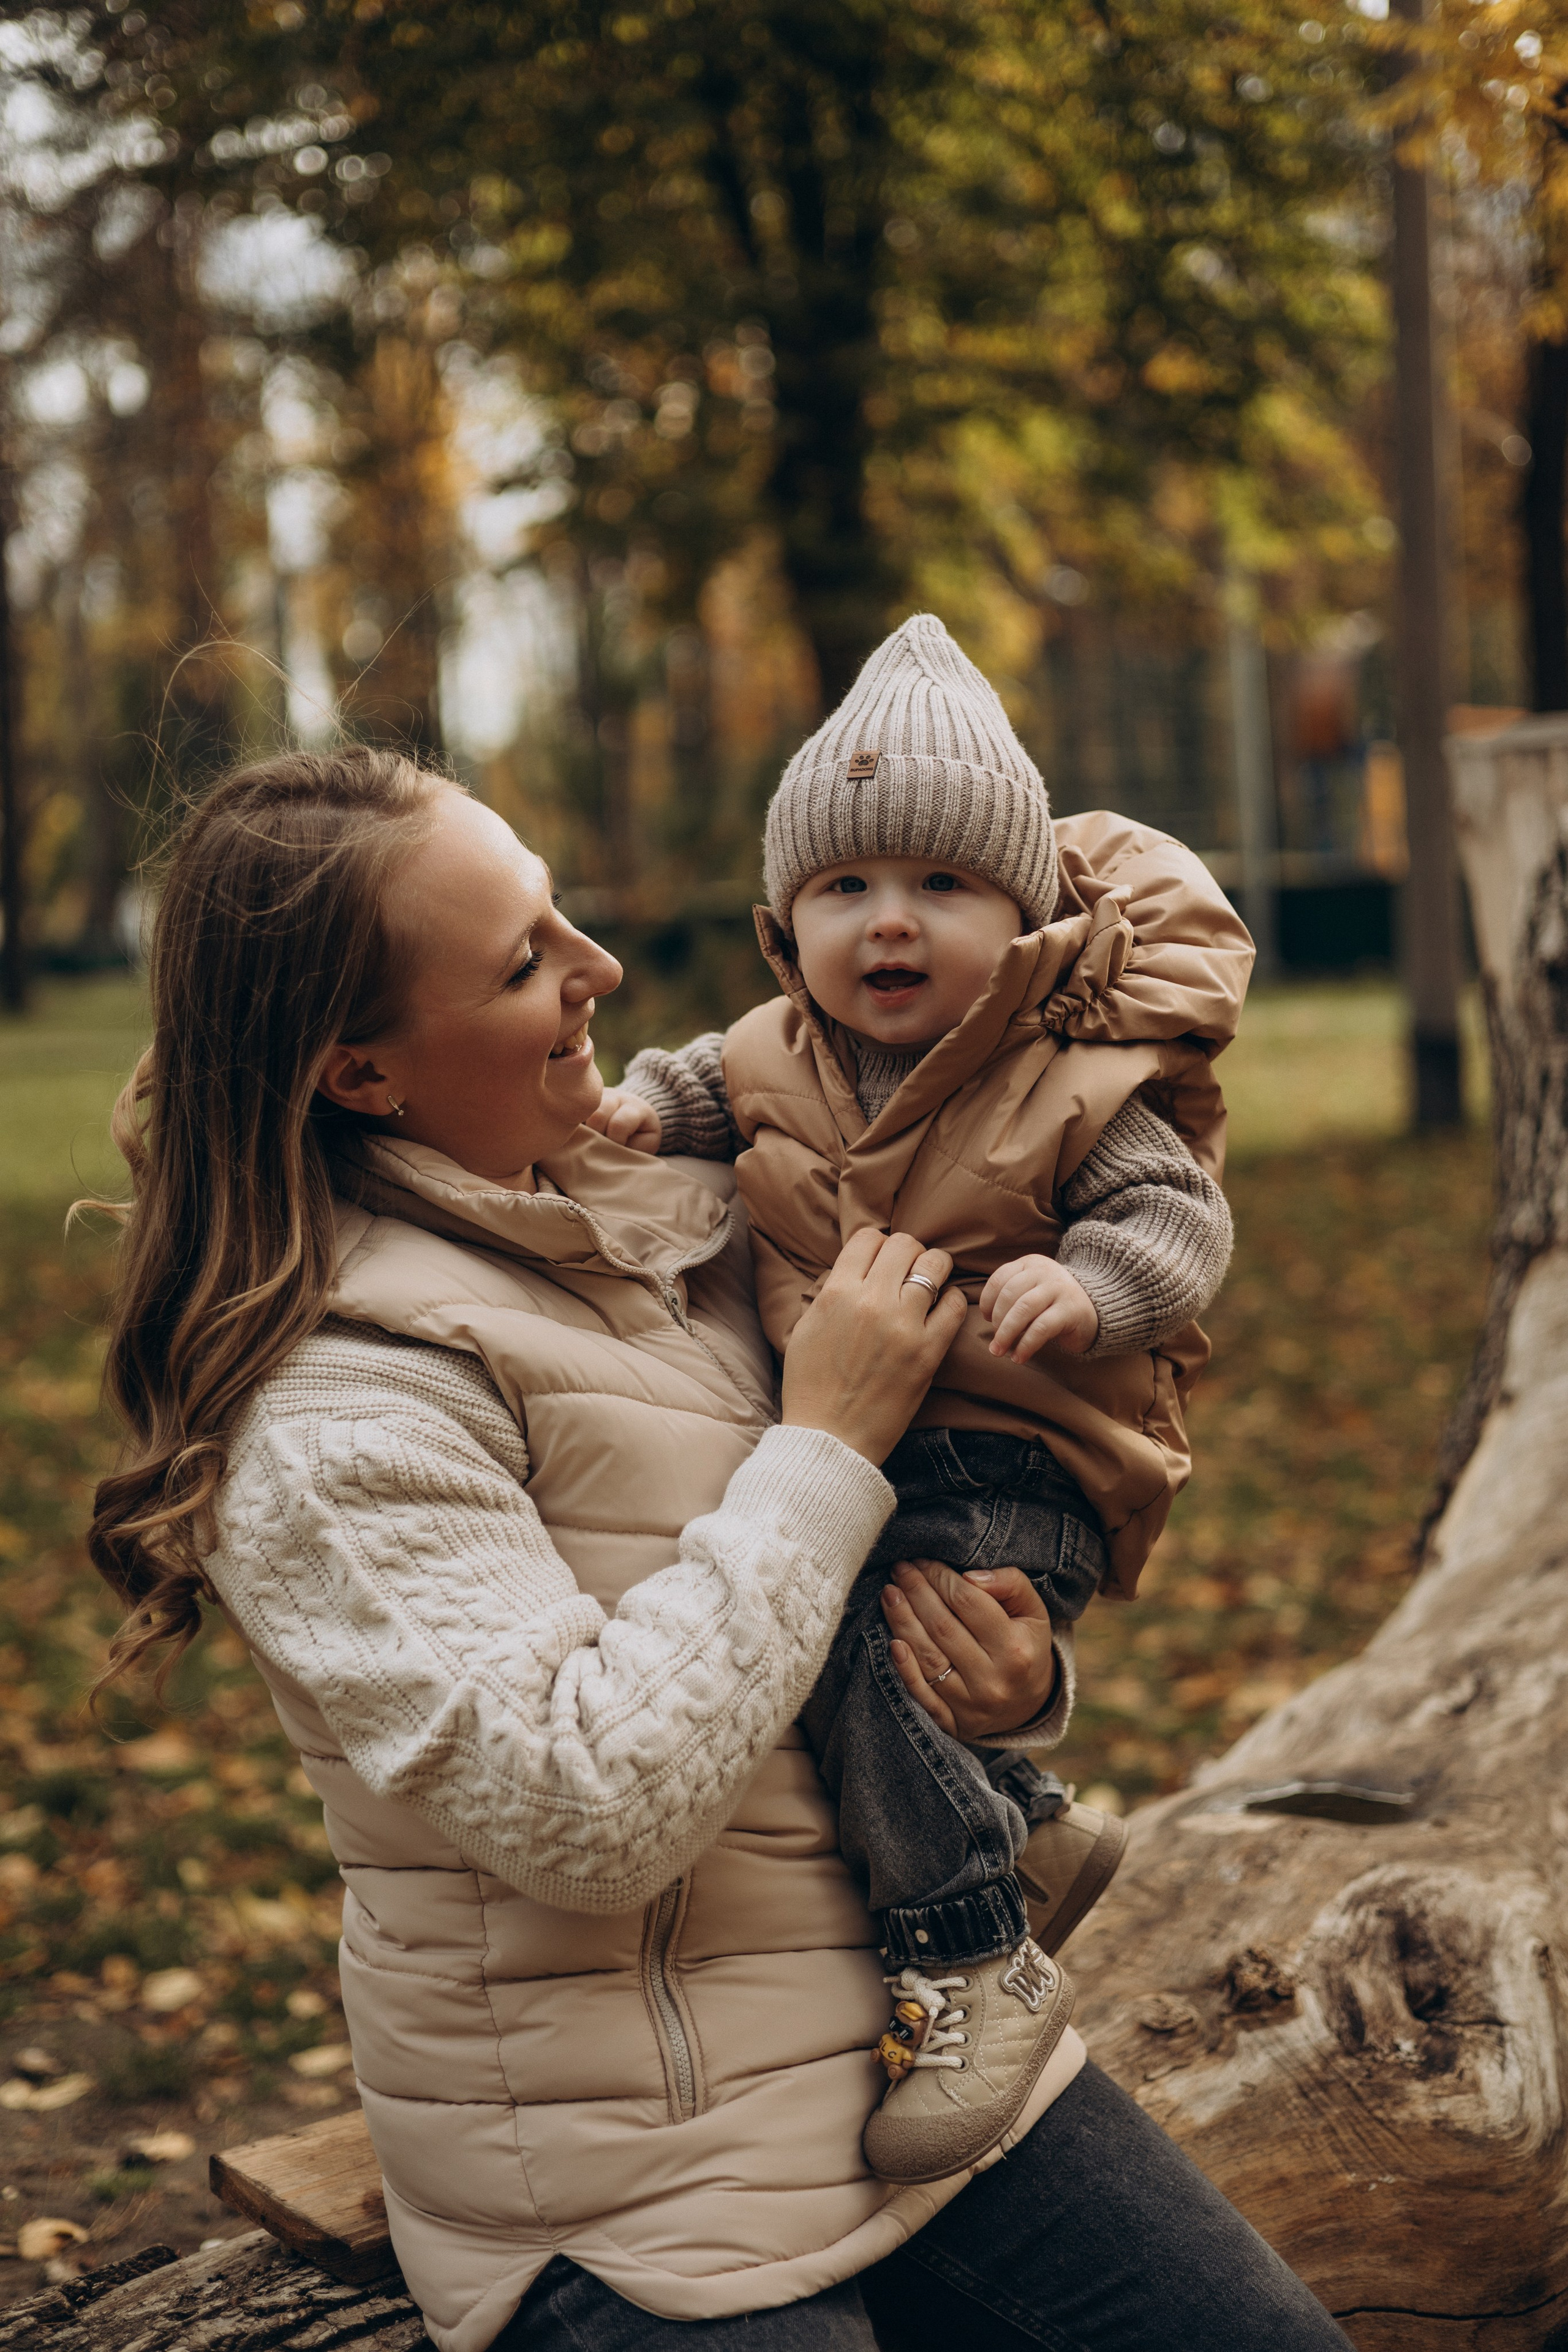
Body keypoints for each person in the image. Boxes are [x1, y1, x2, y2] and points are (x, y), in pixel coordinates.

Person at [88, 747, 1348, 2352]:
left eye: (562, 918)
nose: (599, 970)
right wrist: (823, 1446)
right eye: (525, 959)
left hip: (918, 2059)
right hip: (628, 2184)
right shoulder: (338, 1418)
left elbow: (830, 1610)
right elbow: (587, 1816)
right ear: (361, 1075)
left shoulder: (669, 1209)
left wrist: (1004, 1676)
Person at [597, 615, 1254, 2182]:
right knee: (839, 1635)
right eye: (846, 890)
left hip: (1016, 1450)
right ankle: (1019, 1821)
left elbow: (1179, 1221)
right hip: (869, 1444)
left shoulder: (1066, 1073)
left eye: (941, 887)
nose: (889, 926)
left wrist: (1095, 1288)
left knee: (858, 1638)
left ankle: (966, 1946)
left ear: (1021, 919)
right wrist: (636, 1108)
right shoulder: (768, 1049)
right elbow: (698, 1084)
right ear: (783, 925)